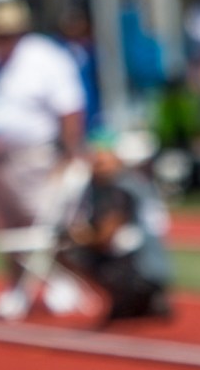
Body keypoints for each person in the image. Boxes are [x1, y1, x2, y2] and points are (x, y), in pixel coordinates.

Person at [0, 0, 86, 318]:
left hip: (35, 157)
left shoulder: (46, 57)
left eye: (6, 34)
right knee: (9, 227)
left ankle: (63, 283)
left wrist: (70, 153)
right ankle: (19, 288)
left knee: (46, 223)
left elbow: (70, 107)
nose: (0, 40)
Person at [58, 137, 173, 323]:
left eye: (102, 162)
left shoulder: (121, 188)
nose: (97, 168)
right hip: (153, 261)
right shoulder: (135, 183)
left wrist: (77, 237)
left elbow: (106, 235)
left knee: (74, 252)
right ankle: (141, 299)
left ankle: (130, 297)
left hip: (141, 265)